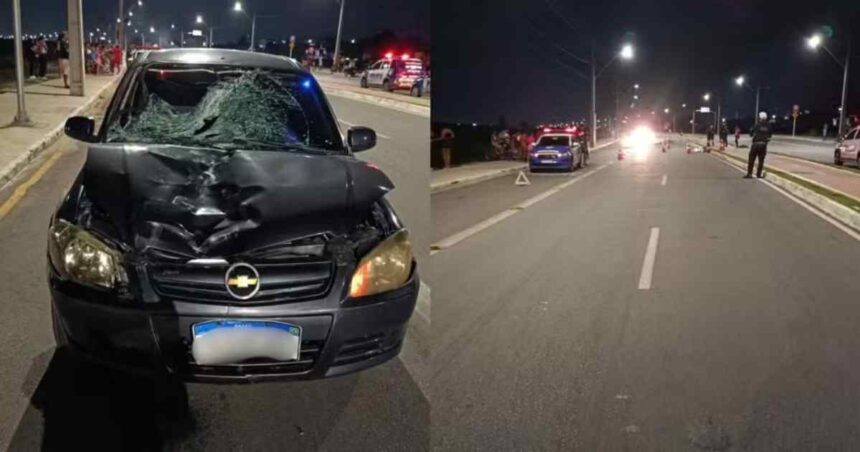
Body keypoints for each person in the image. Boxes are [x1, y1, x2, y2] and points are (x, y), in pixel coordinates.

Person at [746, 112, 772, 179]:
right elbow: (770, 136)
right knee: (761, 160)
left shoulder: (757, 124)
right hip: (763, 144)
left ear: (760, 117)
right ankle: (758, 174)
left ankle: (749, 174)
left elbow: (751, 133)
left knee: (751, 158)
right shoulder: (769, 126)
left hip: (756, 144)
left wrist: (752, 134)